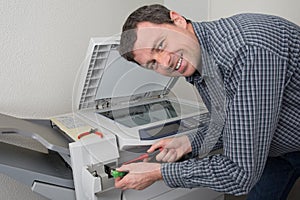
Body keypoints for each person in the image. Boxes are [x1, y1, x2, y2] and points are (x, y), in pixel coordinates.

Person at [115, 4, 300, 199]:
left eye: (160, 46)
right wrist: (190, 142)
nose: (165, 62)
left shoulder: (245, 53)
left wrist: (156, 173)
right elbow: (237, 121)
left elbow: (239, 174)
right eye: (152, 63)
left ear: (177, 20)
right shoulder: (198, 58)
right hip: (275, 149)